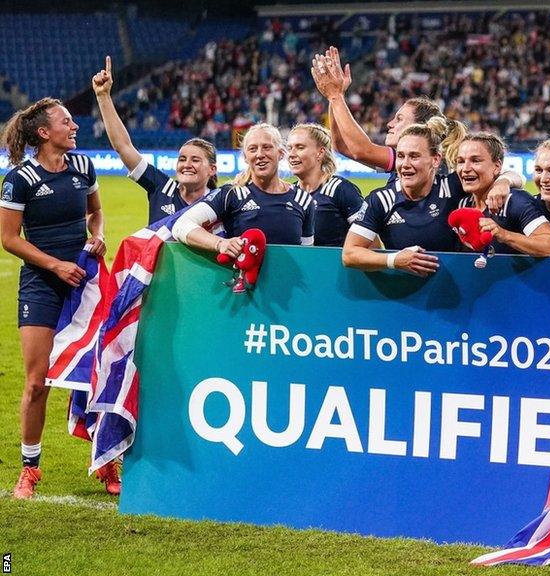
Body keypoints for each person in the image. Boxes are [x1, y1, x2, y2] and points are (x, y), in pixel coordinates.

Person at [0, 98, 119, 498]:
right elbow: (9, 239)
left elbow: (96, 212)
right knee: (37, 383)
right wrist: (54, 266)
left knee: (96, 373)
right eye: (66, 122)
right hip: (42, 284)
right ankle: (29, 469)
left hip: (84, 282)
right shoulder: (19, 179)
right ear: (43, 133)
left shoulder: (83, 167)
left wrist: (97, 235)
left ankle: (106, 461)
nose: (75, 127)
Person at [343, 117, 520, 276]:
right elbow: (350, 254)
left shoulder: (452, 186)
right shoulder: (381, 200)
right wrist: (394, 260)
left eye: (414, 156)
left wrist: (502, 182)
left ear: (435, 160)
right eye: (401, 156)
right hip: (405, 298)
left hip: (456, 292)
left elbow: (510, 175)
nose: (405, 164)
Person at [92, 56, 217, 224]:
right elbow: (123, 146)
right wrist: (103, 96)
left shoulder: (221, 201)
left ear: (212, 169)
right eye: (182, 159)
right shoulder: (162, 186)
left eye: (195, 160)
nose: (186, 165)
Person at [172, 123, 315, 254]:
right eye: (253, 149)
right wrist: (220, 243)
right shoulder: (232, 194)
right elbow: (181, 226)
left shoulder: (302, 200)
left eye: (267, 147)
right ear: (246, 157)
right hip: (244, 282)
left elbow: (307, 255)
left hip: (288, 282)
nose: (260, 155)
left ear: (281, 154)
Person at [311, 46, 444, 184]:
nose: (390, 124)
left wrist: (335, 96)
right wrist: (336, 95)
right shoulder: (402, 159)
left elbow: (361, 150)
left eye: (399, 119)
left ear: (419, 127)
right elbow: (342, 146)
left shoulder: (428, 159)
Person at [455, 132, 550, 256]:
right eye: (461, 161)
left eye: (476, 161)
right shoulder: (463, 203)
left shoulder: (515, 202)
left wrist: (503, 234)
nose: (466, 168)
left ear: (497, 166)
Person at [286, 123, 363, 247]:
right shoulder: (290, 194)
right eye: (289, 148)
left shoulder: (340, 190)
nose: (291, 154)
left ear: (320, 153)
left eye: (300, 147)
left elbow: (371, 245)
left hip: (335, 266)